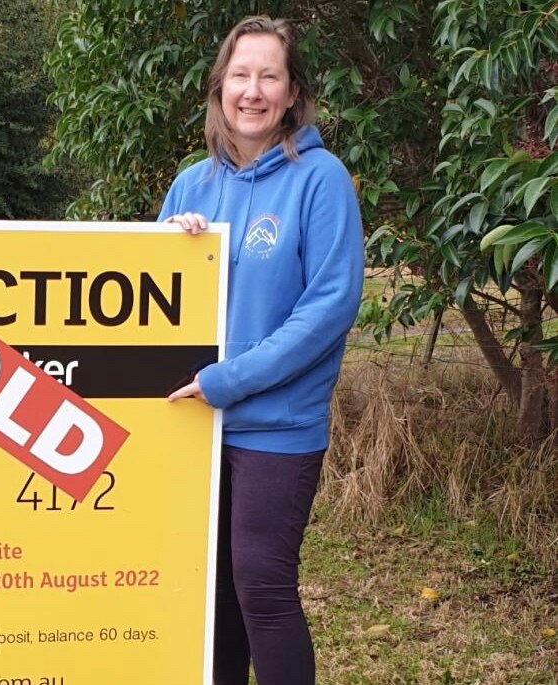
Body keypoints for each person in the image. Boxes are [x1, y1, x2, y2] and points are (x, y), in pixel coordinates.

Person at [162, 17, 364, 685]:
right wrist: (169, 243)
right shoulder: (190, 185)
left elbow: (327, 307)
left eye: (268, 76)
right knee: (212, 593)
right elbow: (146, 295)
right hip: (194, 422)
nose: (252, 91)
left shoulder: (320, 178)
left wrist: (230, 378)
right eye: (240, 75)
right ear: (220, 86)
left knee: (262, 587)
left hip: (275, 426)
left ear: (291, 91)